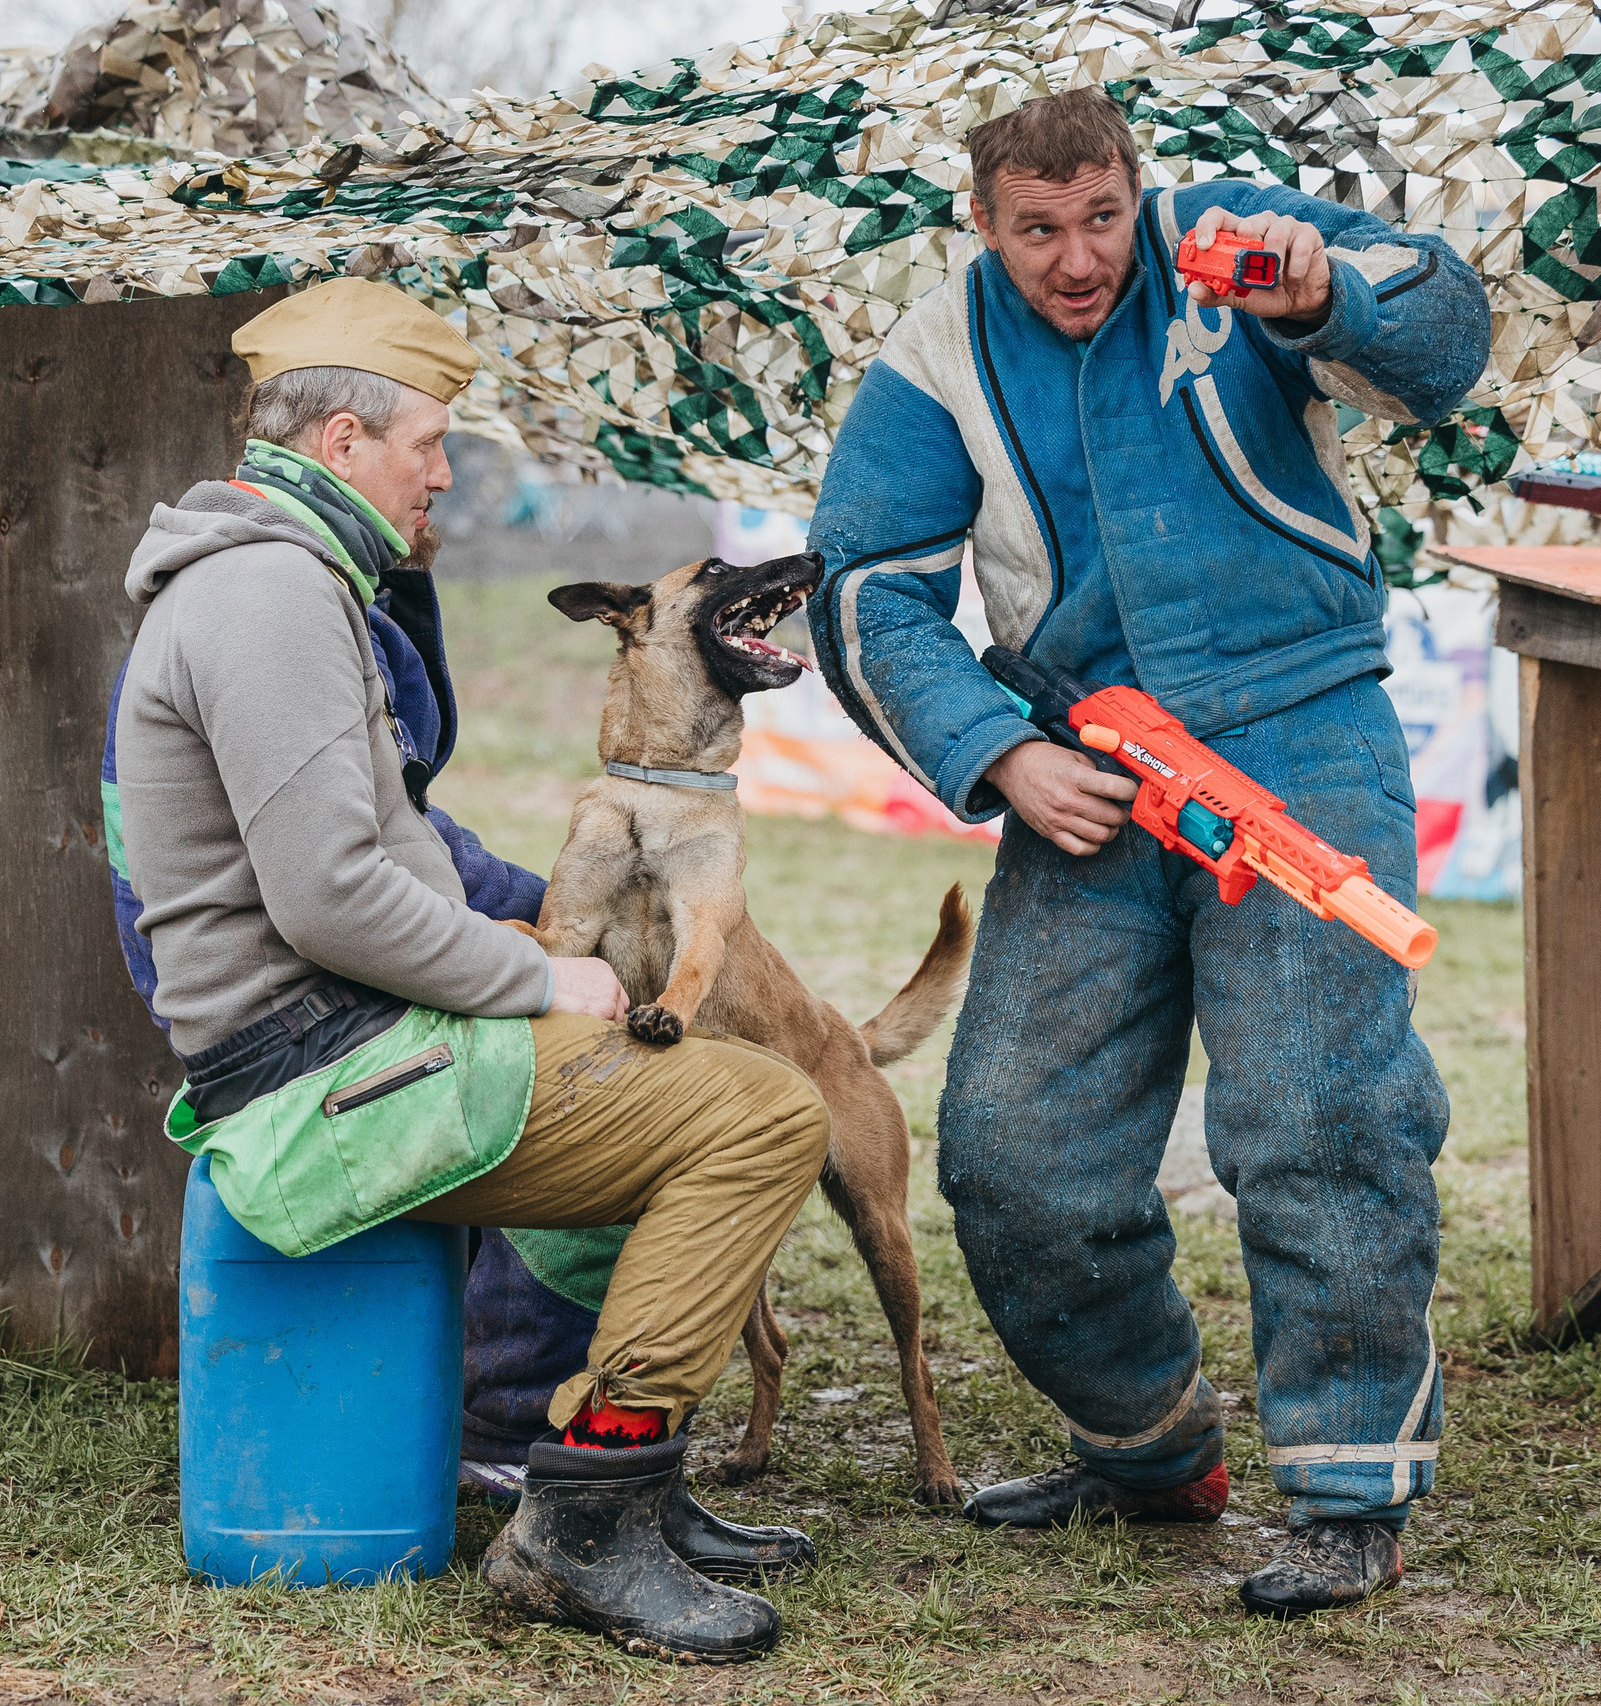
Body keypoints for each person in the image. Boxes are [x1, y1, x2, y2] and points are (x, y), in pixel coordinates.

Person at [806, 89, 1490, 1618]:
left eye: (1101, 217)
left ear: (1137, 189)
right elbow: (864, 589)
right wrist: (1003, 752)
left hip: (1304, 735)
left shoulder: (1235, 240)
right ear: (981, 220)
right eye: (1037, 229)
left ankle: (1350, 1483)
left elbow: (1446, 341)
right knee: (1011, 1152)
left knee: (1324, 1109)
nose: (1077, 258)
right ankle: (1151, 1442)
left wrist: (1328, 294)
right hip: (1085, 773)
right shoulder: (931, 356)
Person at [104, 279, 828, 1664]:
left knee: (706, 1084)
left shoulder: (289, 579)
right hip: (334, 1077)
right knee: (762, 1114)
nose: (446, 467)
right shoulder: (269, 595)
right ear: (338, 442)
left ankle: (628, 1480)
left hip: (353, 1045)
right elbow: (329, 895)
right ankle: (584, 1517)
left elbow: (378, 855)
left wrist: (504, 935)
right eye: (428, 440)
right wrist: (538, 982)